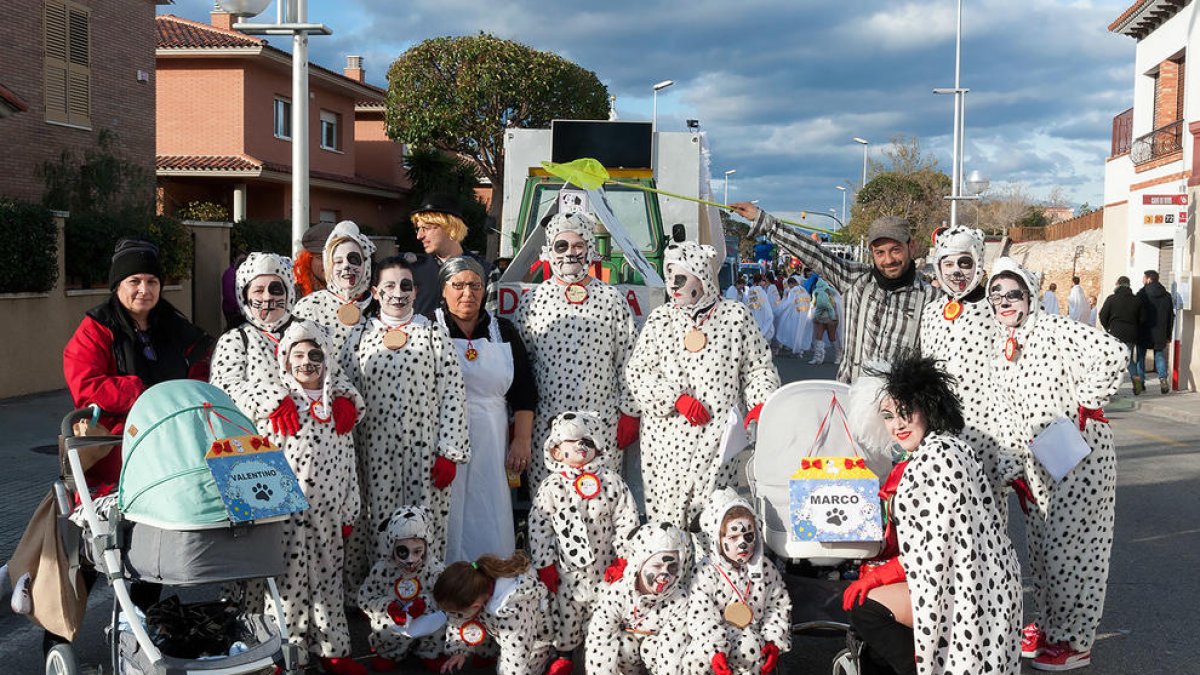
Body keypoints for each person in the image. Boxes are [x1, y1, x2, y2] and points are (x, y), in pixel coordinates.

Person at [58, 238, 211, 650]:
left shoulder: (175, 326)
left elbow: (198, 373)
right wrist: (143, 390)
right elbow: (86, 385)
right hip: (112, 458)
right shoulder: (96, 328)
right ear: (117, 285)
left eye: (151, 280)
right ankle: (59, 631)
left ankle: (142, 631)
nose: (144, 289)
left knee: (153, 551)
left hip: (166, 457)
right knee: (96, 553)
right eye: (134, 280)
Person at [986, 257, 1125, 671]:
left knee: (1074, 552)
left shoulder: (1055, 328)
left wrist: (1084, 407)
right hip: (1039, 464)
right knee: (1043, 551)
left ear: (1029, 296)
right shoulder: (1003, 342)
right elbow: (1005, 408)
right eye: (997, 294)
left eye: (1013, 293)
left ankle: (1075, 639)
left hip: (1077, 458)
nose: (1004, 301)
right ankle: (1049, 626)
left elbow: (1114, 353)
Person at [844, 354, 1021, 675]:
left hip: (971, 592)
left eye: (905, 412)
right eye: (888, 415)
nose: (897, 424)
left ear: (926, 406)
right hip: (979, 581)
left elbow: (934, 554)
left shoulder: (937, 458)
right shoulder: (943, 447)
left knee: (866, 609)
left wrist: (879, 576)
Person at [626, 240, 779, 529]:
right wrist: (675, 399)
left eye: (680, 277)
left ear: (702, 276)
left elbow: (758, 366)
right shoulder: (660, 319)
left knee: (714, 516)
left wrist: (760, 404)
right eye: (669, 276)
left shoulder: (735, 316)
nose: (673, 284)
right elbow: (638, 371)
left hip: (719, 438)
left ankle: (713, 570)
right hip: (665, 442)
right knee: (668, 521)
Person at [340, 256, 470, 587]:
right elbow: (347, 395)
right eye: (390, 286)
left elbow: (453, 394)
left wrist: (449, 451)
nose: (398, 293)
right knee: (380, 523)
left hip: (424, 455)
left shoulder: (432, 335)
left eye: (405, 286)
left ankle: (428, 597)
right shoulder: (358, 338)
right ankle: (383, 600)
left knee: (424, 526)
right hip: (375, 456)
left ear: (415, 291)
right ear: (375, 291)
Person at [731, 204, 937, 383]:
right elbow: (814, 254)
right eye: (880, 253)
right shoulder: (856, 280)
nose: (888, 260)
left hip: (903, 417)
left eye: (896, 250)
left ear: (911, 246)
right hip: (851, 407)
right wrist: (763, 221)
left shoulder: (931, 299)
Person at [515, 211, 640, 490]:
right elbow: (521, 368)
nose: (571, 253)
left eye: (578, 246)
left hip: (602, 426)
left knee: (602, 505)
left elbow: (629, 360)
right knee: (550, 507)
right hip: (548, 428)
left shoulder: (612, 300)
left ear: (590, 249)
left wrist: (630, 412)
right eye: (562, 246)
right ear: (549, 251)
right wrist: (519, 423)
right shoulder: (533, 301)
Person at [266, 321, 364, 675]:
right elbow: (262, 461)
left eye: (315, 355)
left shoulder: (338, 408)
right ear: (286, 361)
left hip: (328, 516)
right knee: (287, 589)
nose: (307, 362)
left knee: (328, 582)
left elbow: (349, 464)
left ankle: (332, 649)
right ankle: (284, 654)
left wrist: (350, 511)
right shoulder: (277, 407)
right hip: (286, 516)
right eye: (299, 355)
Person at [433, 256, 537, 563]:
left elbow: (524, 393)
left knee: (490, 508)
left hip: (493, 437)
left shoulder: (503, 331)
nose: (468, 294)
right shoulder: (428, 330)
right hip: (444, 438)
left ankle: (493, 577)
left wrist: (521, 440)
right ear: (444, 290)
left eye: (475, 285)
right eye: (459, 285)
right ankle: (449, 582)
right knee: (449, 511)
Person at [917, 225, 1023, 507]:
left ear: (977, 262)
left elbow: (1015, 374)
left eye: (964, 263)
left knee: (987, 513)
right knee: (943, 511)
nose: (955, 272)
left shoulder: (998, 309)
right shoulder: (931, 312)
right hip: (939, 433)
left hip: (987, 433)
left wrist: (1012, 442)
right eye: (947, 263)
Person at [529, 411, 639, 675]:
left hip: (604, 571)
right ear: (556, 451)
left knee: (602, 616)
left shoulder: (612, 482)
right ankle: (564, 654)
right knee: (566, 612)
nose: (581, 446)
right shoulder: (552, 486)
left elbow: (627, 519)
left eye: (588, 442)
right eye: (574, 441)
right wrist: (544, 564)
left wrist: (623, 558)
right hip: (567, 573)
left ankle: (599, 658)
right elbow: (539, 526)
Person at [211, 252, 359, 443]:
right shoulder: (235, 340)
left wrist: (344, 397)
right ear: (244, 296)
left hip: (323, 456)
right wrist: (271, 400)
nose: (268, 297)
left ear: (288, 293)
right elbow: (224, 389)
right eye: (258, 290)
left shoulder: (310, 330)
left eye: (276, 289)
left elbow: (334, 373)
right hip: (268, 456)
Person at [682, 488, 791, 675]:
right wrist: (715, 650)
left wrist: (774, 639)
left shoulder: (765, 568)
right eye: (733, 537)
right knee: (697, 657)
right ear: (718, 539)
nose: (743, 544)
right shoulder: (705, 571)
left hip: (752, 633)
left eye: (748, 536)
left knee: (750, 648)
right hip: (714, 635)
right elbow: (701, 616)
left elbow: (778, 605)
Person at [586, 522, 693, 675]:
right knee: (624, 645)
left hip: (657, 660)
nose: (664, 575)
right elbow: (600, 639)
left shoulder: (679, 600)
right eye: (657, 566)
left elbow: (673, 651)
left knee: (652, 646)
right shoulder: (618, 593)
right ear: (639, 564)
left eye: (672, 567)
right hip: (629, 662)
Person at [357, 505, 447, 672]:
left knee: (440, 620)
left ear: (426, 547)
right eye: (403, 552)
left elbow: (447, 597)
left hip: (423, 618)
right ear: (392, 547)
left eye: (417, 551)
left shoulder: (434, 568)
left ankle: (429, 652)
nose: (411, 560)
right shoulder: (382, 569)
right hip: (395, 620)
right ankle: (390, 653)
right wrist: (387, 606)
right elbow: (365, 598)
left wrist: (425, 603)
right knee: (383, 625)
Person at [433, 552, 554, 675]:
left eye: (456, 613)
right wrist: (458, 650)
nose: (453, 616)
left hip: (535, 640)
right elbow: (458, 620)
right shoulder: (476, 579)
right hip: (495, 626)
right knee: (472, 622)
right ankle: (488, 655)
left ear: (475, 606)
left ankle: (551, 660)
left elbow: (516, 659)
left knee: (524, 669)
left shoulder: (513, 611)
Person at [293, 220, 377, 353]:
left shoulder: (377, 303)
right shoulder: (305, 304)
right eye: (336, 260)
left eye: (353, 259)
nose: (346, 266)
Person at [407, 193, 491, 317]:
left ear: (451, 227)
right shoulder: (412, 271)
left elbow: (493, 323)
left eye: (427, 228)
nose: (419, 236)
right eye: (418, 229)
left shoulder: (487, 271)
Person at [1099, 276, 1143, 393]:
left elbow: (1102, 315)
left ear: (1118, 284)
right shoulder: (1136, 300)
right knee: (1127, 358)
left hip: (1115, 333)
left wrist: (1107, 327)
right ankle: (1136, 379)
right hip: (1132, 334)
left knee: (1114, 359)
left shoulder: (1112, 299)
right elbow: (1142, 318)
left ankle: (1113, 387)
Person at [1136, 269, 1175, 394]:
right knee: (1159, 357)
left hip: (1143, 331)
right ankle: (1163, 379)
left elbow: (1136, 314)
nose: (1142, 280)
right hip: (1160, 333)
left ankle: (1140, 384)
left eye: (1143, 278)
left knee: (1140, 358)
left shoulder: (1142, 294)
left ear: (1148, 279)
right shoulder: (1167, 296)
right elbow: (1170, 317)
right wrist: (1168, 334)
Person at [773, 275, 812, 357]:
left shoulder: (793, 290)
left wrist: (778, 311)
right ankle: (799, 350)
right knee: (801, 332)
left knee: (793, 331)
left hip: (795, 313)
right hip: (805, 314)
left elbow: (789, 303)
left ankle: (796, 350)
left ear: (791, 284)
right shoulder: (803, 290)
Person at [293, 222, 333, 298]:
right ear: (308, 260)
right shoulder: (295, 294)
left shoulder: (354, 293)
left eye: (333, 257)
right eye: (320, 257)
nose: (327, 262)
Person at [808, 275, 839, 365]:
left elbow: (835, 303)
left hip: (830, 317)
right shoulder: (817, 291)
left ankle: (838, 356)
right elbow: (814, 303)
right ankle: (818, 357)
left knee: (831, 337)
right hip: (820, 316)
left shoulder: (830, 290)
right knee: (818, 336)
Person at [744, 274, 776, 343]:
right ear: (760, 281)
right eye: (763, 281)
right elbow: (765, 305)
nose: (764, 282)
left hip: (754, 314)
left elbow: (749, 304)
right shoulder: (760, 291)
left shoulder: (751, 290)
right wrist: (769, 315)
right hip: (761, 313)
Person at [221, 251, 247, 329]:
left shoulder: (241, 273)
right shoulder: (230, 273)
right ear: (234, 259)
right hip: (233, 310)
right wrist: (239, 307)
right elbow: (228, 294)